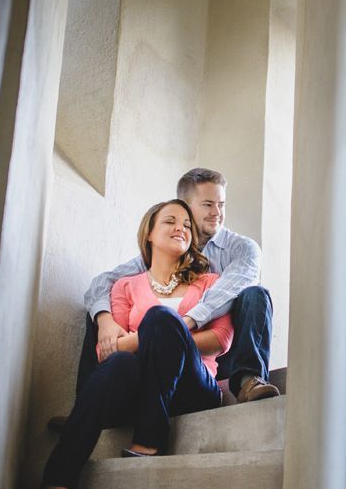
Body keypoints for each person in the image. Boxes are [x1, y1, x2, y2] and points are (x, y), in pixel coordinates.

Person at [41, 200, 233, 489]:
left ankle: (150, 436)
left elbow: (221, 339)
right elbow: (112, 349)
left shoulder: (211, 282)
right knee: (120, 365)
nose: (180, 228)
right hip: (140, 387)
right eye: (170, 221)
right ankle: (60, 477)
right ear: (149, 234)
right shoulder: (125, 286)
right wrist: (154, 338)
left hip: (194, 387)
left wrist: (163, 337)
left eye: (186, 225)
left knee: (161, 318)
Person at [80, 168, 278, 406]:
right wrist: (105, 321)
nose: (217, 213)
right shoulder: (167, 248)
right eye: (208, 204)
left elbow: (224, 293)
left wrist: (180, 327)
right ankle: (87, 401)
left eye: (221, 205)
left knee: (256, 295)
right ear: (185, 205)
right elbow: (101, 283)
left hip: (222, 349)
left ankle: (249, 380)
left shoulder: (243, 248)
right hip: (166, 351)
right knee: (99, 308)